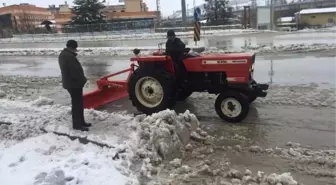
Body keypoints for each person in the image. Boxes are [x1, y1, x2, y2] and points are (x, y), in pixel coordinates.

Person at [58, 40, 91, 131]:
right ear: (71, 47)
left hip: (71, 83)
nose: (76, 50)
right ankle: (77, 125)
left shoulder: (64, 54)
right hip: (74, 84)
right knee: (77, 105)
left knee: (78, 103)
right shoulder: (69, 56)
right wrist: (83, 80)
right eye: (75, 48)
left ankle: (81, 122)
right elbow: (75, 72)